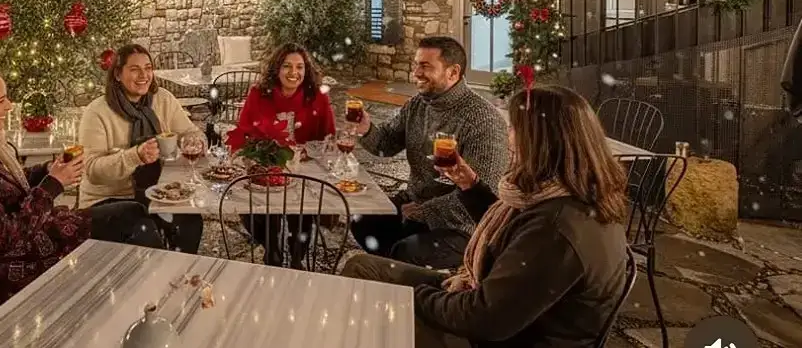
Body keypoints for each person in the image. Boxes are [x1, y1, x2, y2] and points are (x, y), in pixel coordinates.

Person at [342, 85, 631, 348]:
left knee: (374, 303)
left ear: (540, 142)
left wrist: (407, 297)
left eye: (514, 128)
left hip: (504, 338)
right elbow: (509, 232)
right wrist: (471, 187)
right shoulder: (565, 194)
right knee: (363, 268)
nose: (509, 137)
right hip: (491, 303)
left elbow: (484, 319)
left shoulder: (556, 229)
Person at [0, 63, 163, 317]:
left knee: (133, 213)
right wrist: (53, 184)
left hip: (29, 239)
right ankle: (145, 310)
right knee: (134, 225)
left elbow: (2, 184)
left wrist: (47, 170)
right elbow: (2, 238)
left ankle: (138, 306)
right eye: (0, 101)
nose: (9, 106)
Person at [349, 35, 509, 270]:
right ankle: (393, 272)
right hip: (414, 204)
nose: (416, 73)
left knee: (406, 251)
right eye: (416, 64)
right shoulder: (418, 104)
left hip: (463, 226)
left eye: (425, 66)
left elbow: (485, 195)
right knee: (362, 221)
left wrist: (425, 212)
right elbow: (386, 144)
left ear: (453, 73)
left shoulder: (483, 120)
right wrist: (366, 130)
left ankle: (407, 276)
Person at [78, 43, 205, 254]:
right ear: (117, 74)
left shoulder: (163, 99)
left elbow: (190, 132)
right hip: (108, 199)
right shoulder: (97, 112)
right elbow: (92, 171)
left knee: (190, 223)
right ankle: (155, 272)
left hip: (157, 193)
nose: (143, 75)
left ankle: (177, 270)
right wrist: (134, 156)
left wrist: (196, 141)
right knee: (144, 229)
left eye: (148, 68)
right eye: (134, 69)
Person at [235, 43, 335, 267]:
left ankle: (298, 258)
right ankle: (272, 249)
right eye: (287, 66)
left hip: (304, 169)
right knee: (260, 207)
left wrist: (307, 151)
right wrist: (259, 152)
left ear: (306, 70)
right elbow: (244, 132)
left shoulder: (317, 96)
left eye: (300, 67)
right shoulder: (258, 94)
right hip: (265, 167)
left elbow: (328, 138)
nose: (294, 72)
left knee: (302, 208)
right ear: (276, 68)